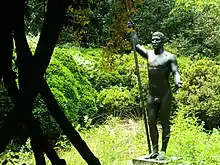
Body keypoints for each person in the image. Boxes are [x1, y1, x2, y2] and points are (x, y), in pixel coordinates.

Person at [128, 22, 182, 160]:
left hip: (165, 95)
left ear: (162, 41)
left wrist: (178, 80)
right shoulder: (149, 54)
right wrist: (133, 30)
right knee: (151, 122)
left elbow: (175, 72)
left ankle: (163, 151)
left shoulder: (170, 57)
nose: (154, 42)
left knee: (164, 122)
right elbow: (136, 45)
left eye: (157, 40)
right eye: (152, 40)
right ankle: (155, 150)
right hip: (152, 95)